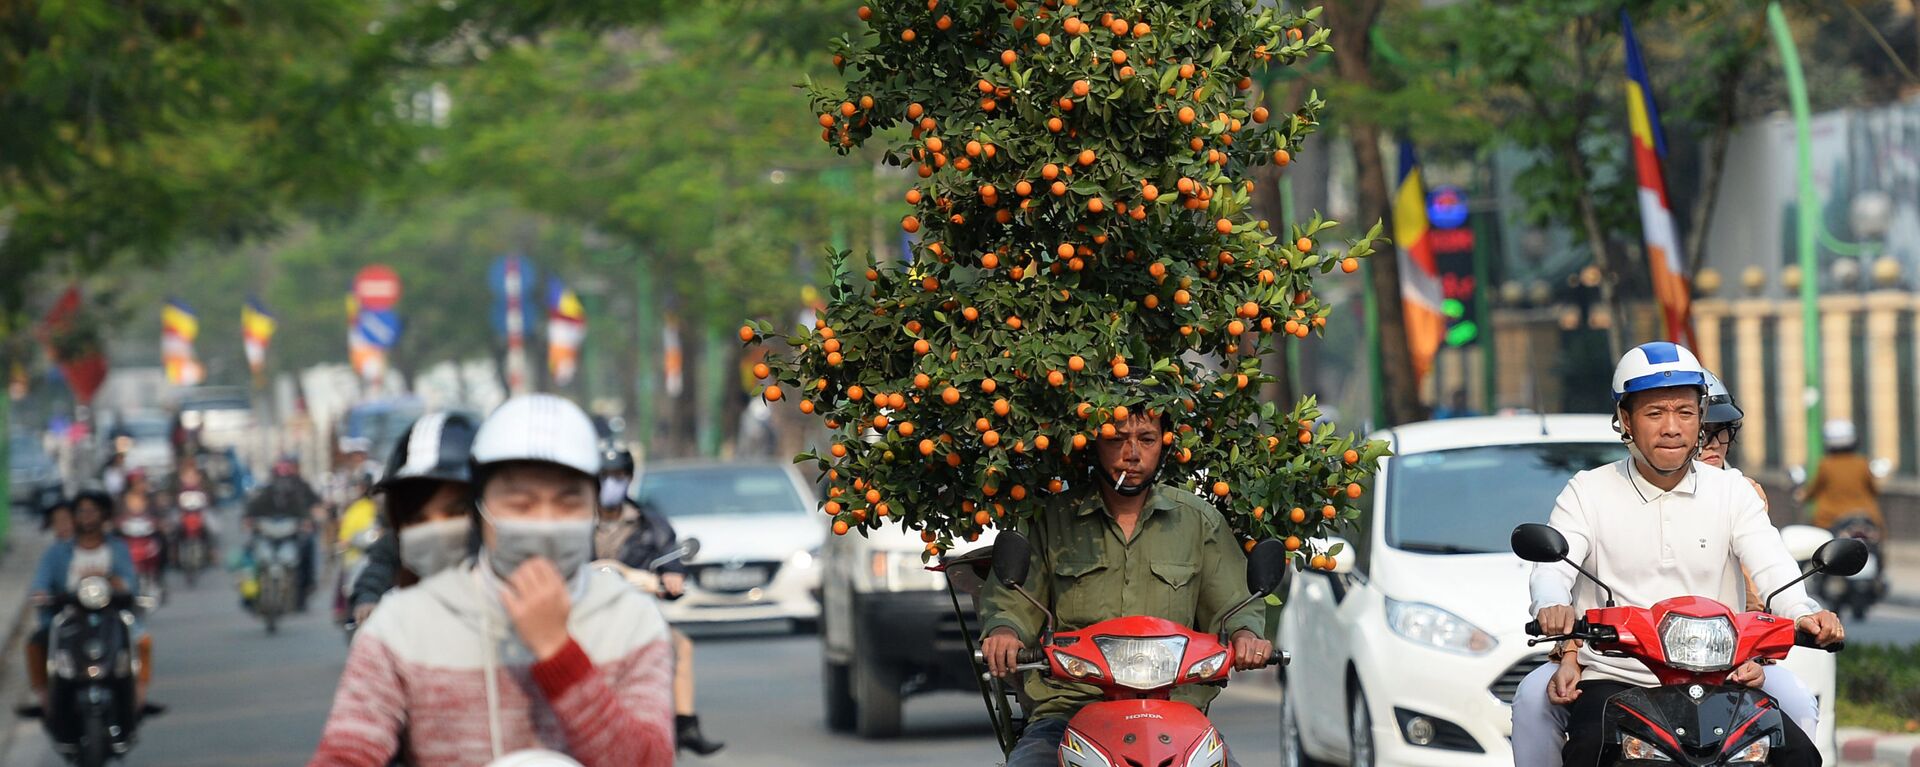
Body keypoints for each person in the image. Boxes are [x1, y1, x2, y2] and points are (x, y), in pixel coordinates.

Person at [310, 394, 674, 767]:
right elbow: (347, 752)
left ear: (593, 509)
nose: (545, 523)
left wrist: (557, 652)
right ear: (480, 509)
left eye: (566, 503)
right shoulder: (401, 626)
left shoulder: (632, 620)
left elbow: (650, 761)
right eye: (521, 503)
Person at [1529, 342, 1843, 767]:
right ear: (1625, 419)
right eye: (1655, 413)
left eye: (1685, 412)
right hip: (1616, 677)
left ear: (1700, 419)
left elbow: (1772, 565)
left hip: (1723, 677)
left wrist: (1803, 611)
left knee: (1799, 737)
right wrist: (1551, 604)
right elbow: (1552, 566)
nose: (1672, 428)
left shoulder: (1732, 491)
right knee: (1540, 709)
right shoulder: (1588, 490)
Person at [977, 381, 1273, 767]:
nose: (1133, 454)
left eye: (1147, 439)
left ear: (1164, 444)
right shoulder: (1052, 519)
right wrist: (1005, 633)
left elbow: (1233, 605)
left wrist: (1247, 637)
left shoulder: (1199, 522)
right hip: (1070, 709)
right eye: (1117, 438)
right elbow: (1015, 600)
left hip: (1177, 712)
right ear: (1093, 443)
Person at [594, 446, 723, 756]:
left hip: (636, 617)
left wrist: (671, 577)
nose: (611, 483)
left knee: (681, 646)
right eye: (604, 476)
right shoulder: (572, 522)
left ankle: (685, 725)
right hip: (582, 616)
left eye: (618, 476)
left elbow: (671, 560)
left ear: (629, 479)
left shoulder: (650, 524)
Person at [21, 492, 149, 716]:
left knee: (143, 641)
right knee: (36, 643)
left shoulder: (117, 548)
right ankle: (45, 699)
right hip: (70, 617)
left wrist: (113, 581)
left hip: (111, 616)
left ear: (104, 516)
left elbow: (130, 584)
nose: (87, 518)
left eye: (92, 511)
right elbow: (40, 583)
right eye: (81, 512)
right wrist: (41, 594)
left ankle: (138, 696)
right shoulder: (57, 552)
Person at [348, 412, 481, 626]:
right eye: (419, 518)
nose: (437, 527)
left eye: (455, 512)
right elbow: (378, 568)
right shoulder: (385, 642)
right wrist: (367, 599)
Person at [246, 457, 325, 611]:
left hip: (292, 533)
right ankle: (249, 595)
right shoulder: (267, 490)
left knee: (306, 549)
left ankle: (305, 587)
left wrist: (308, 520)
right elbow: (253, 507)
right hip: (268, 533)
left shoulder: (300, 487)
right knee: (249, 553)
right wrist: (249, 520)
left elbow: (308, 507)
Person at [1799, 419, 1883, 530]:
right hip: (1864, 517)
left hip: (1830, 520)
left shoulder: (1825, 465)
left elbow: (1813, 490)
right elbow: (1874, 489)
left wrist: (1802, 495)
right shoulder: (1862, 463)